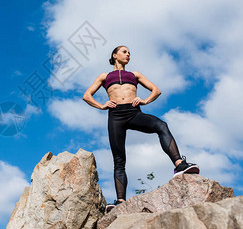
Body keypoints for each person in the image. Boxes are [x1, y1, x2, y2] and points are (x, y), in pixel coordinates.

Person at [82, 45, 199, 212]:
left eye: (130, 53)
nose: (128, 54)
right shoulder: (104, 76)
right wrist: (101, 106)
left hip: (134, 113)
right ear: (115, 55)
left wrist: (145, 101)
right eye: (124, 51)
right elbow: (87, 95)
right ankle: (121, 201)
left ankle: (179, 164)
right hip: (115, 116)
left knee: (161, 126)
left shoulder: (134, 74)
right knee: (119, 159)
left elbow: (156, 90)